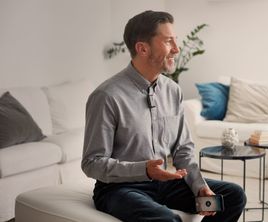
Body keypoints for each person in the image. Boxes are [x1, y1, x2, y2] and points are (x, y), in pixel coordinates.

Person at [81, 10, 246, 222]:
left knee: (233, 196)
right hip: (119, 189)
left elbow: (183, 149)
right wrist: (145, 170)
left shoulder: (172, 90)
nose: (176, 49)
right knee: (167, 220)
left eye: (175, 41)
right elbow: (92, 163)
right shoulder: (106, 96)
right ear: (142, 48)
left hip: (166, 182)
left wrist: (199, 185)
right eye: (169, 42)